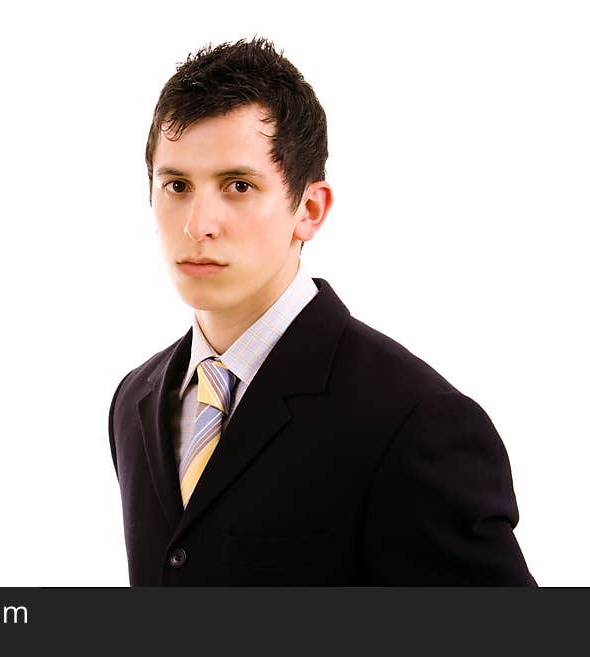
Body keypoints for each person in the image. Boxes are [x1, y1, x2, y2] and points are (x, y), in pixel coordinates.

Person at [107, 37, 535, 586]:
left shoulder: (414, 423)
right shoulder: (135, 402)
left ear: (309, 209)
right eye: (176, 186)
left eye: (238, 186)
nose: (197, 223)